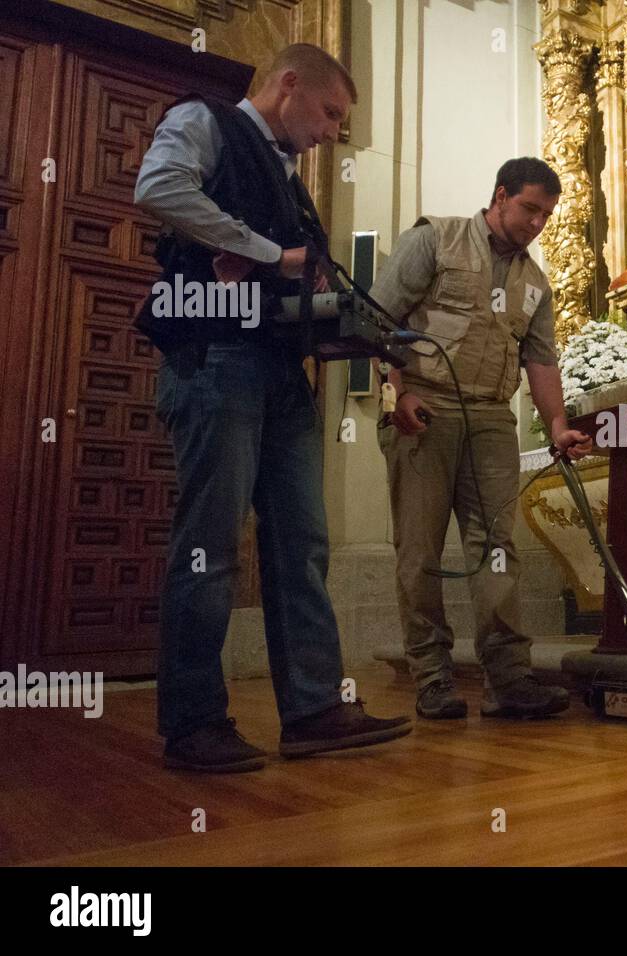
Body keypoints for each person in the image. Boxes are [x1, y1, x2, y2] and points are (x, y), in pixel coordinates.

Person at [134, 43, 410, 773]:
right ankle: (193, 724)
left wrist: (356, 334)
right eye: (329, 112)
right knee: (211, 547)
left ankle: (314, 709)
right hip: (214, 360)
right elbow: (159, 188)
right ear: (288, 85)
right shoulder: (206, 120)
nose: (332, 130)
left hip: (282, 375)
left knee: (303, 543)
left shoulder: (292, 183)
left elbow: (299, 283)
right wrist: (263, 250)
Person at [368, 157, 593, 721]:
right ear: (500, 195)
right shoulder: (434, 239)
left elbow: (540, 360)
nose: (538, 223)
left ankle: (509, 679)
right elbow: (375, 318)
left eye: (547, 215)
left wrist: (558, 426)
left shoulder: (535, 283)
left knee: (497, 549)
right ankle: (433, 677)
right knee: (418, 549)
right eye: (530, 209)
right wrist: (397, 394)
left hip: (492, 418)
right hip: (425, 404)